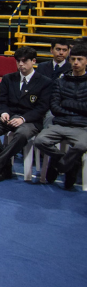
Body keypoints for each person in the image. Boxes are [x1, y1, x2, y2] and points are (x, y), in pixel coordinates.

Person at [0, 47, 52, 182]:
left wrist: (23, 119)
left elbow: (42, 108)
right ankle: (5, 167)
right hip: (9, 116)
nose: (21, 64)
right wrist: (4, 112)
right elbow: (2, 101)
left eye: (24, 61)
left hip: (30, 120)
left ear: (33, 61)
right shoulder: (8, 78)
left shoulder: (44, 82)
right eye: (18, 61)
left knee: (22, 134)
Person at [35, 43, 87, 190]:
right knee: (40, 141)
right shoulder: (60, 81)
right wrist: (76, 109)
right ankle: (69, 163)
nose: (76, 62)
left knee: (82, 145)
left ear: (86, 61)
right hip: (60, 124)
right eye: (73, 59)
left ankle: (59, 165)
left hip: (82, 126)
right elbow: (55, 107)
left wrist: (67, 103)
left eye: (80, 59)